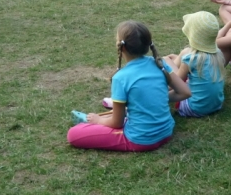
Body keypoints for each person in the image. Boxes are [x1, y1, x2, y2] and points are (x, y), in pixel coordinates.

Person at [67, 21, 191, 151]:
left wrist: (98, 120)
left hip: (141, 139)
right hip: (166, 131)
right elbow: (185, 92)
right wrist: (154, 98)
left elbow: (116, 123)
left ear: (122, 47)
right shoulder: (159, 64)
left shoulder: (120, 78)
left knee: (74, 134)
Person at [163, 12, 225, 117]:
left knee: (165, 60)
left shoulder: (191, 59)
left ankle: (156, 97)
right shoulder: (218, 54)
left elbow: (175, 84)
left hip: (194, 108)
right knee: (179, 56)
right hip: (217, 105)